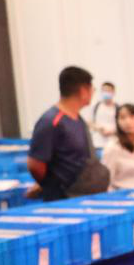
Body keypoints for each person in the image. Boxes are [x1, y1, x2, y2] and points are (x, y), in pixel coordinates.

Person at [28, 66, 110, 200]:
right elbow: (35, 165)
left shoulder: (78, 118)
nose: (93, 93)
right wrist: (51, 185)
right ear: (83, 91)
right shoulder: (51, 121)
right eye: (92, 89)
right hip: (65, 198)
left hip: (87, 196)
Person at [90, 82, 118, 147]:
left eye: (108, 91)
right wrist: (99, 128)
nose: (106, 93)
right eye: (104, 90)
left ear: (113, 92)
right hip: (97, 144)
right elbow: (89, 122)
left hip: (113, 143)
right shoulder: (95, 106)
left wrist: (113, 131)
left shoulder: (118, 108)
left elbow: (121, 125)